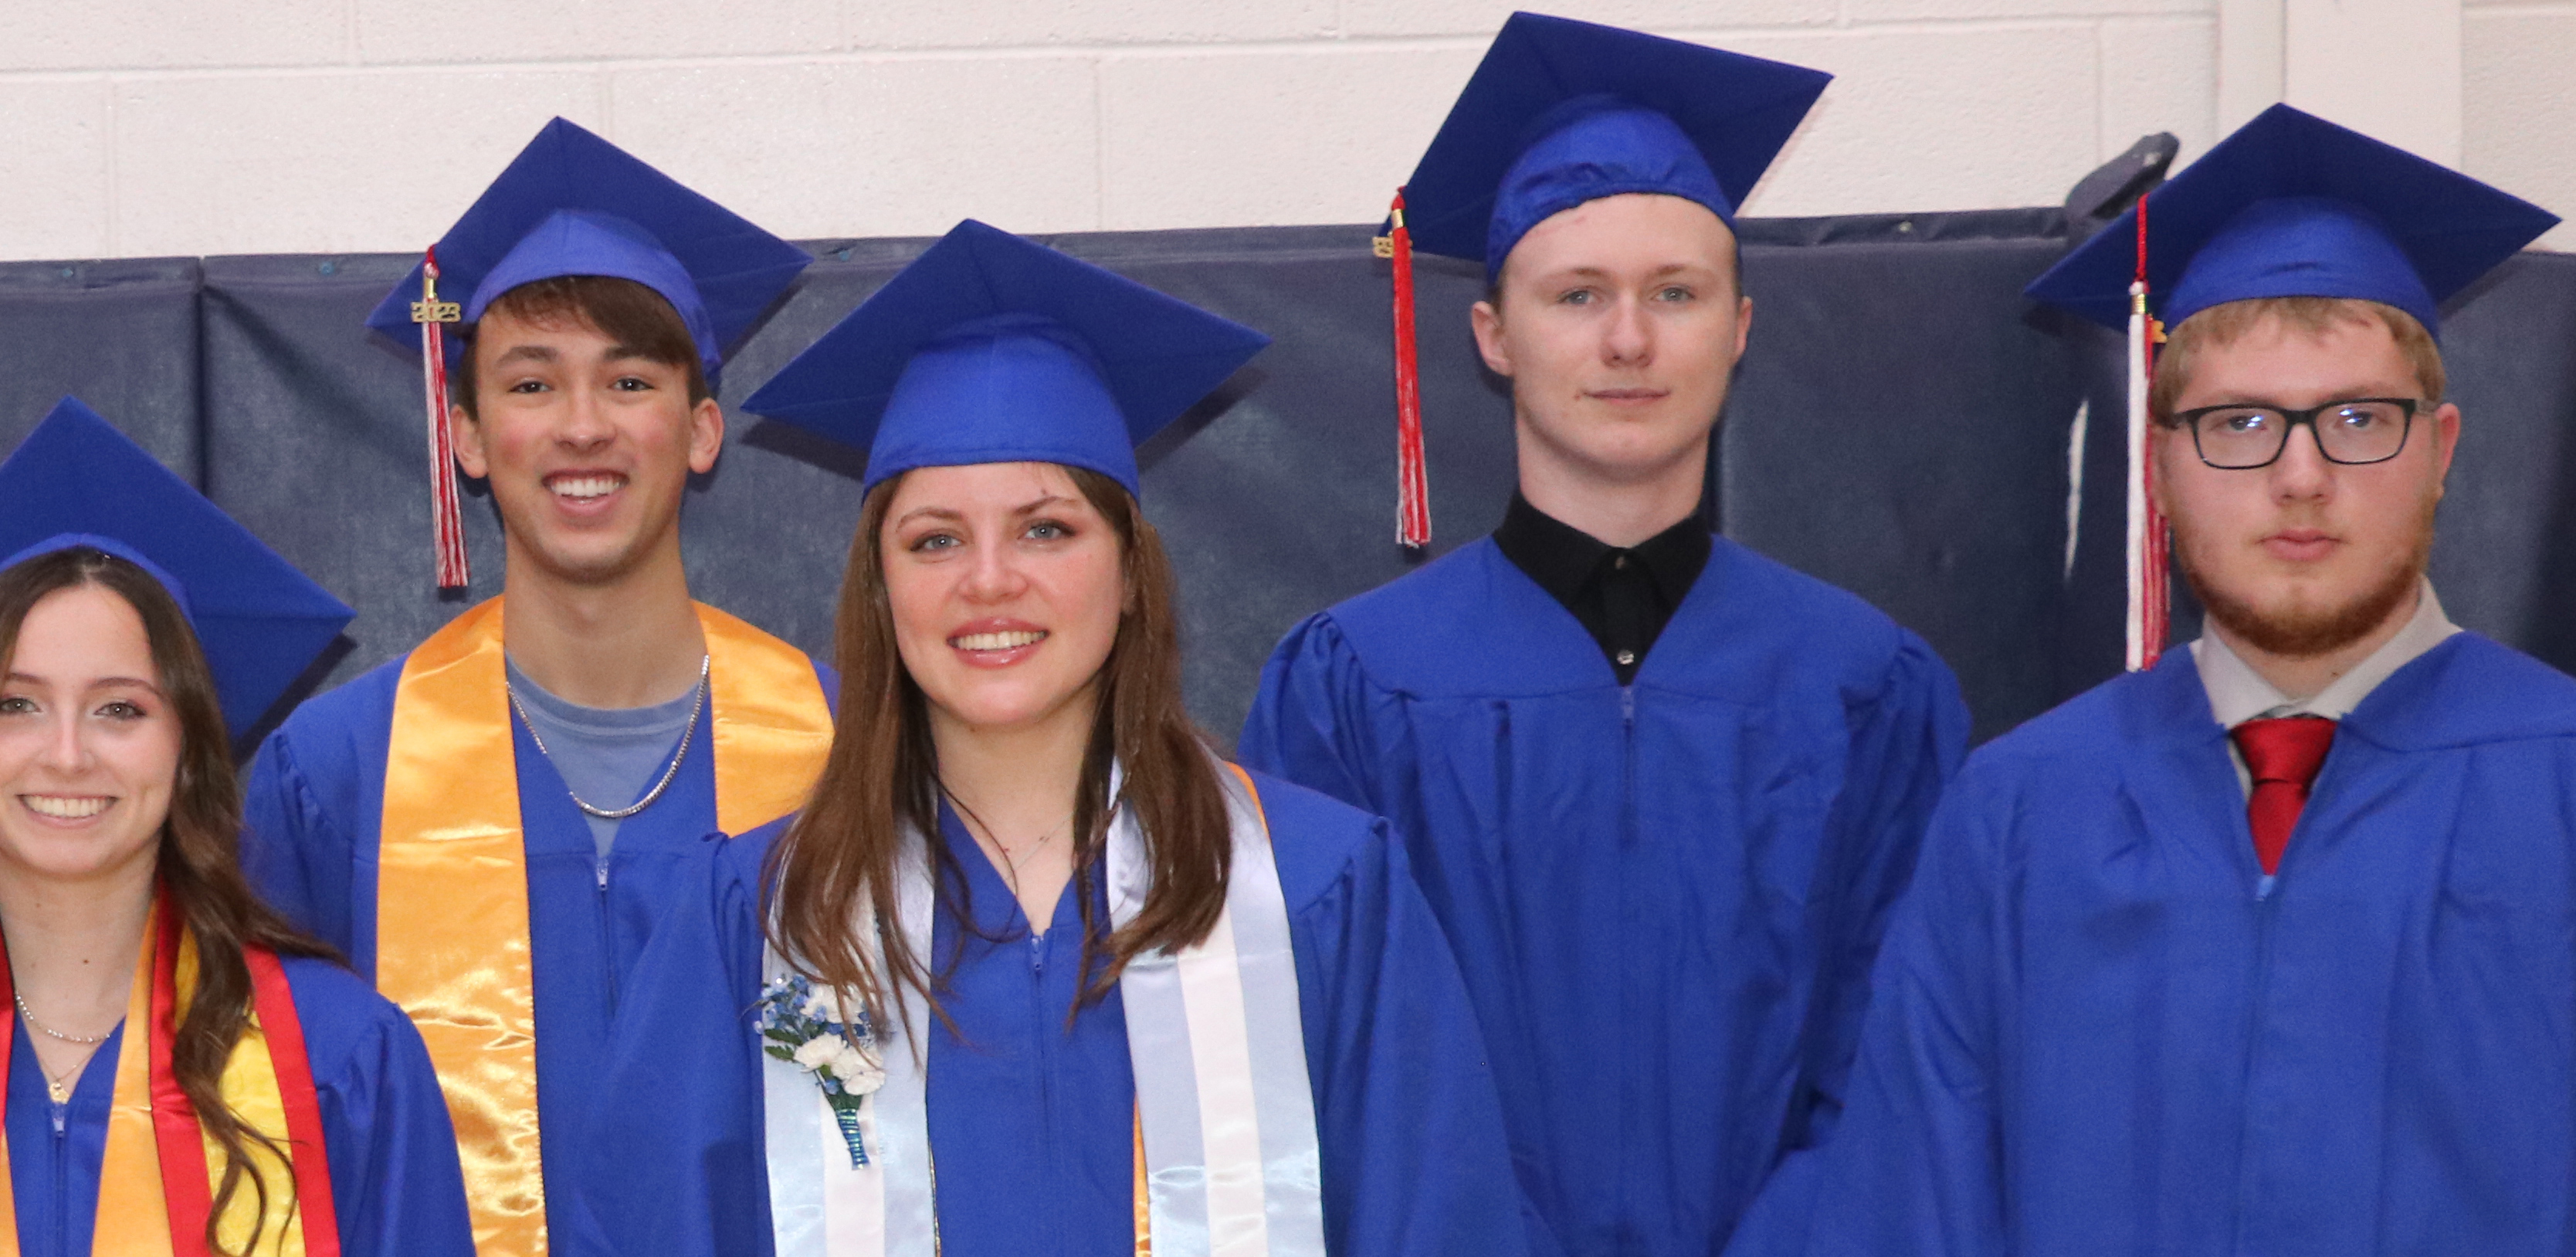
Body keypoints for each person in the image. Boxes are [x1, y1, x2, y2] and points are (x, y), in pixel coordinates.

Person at [1727, 105, 2574, 1257]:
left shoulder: (2560, 782)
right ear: (2162, 465)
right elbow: (1914, 1207)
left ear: (2443, 449)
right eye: (2238, 424)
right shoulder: (2019, 813)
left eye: (2361, 419)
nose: (2301, 476)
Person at [1239, 16, 1968, 1255]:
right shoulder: (1349, 688)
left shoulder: (1865, 688)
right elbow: (1324, 1056)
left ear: (1738, 328)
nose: (1628, 341)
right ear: (1493, 336)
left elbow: (1904, 1057)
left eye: (1674, 295)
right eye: (1577, 296)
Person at [723, 221, 1527, 1255]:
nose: (989, 580)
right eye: (934, 540)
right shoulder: (768, 921)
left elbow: (1438, 1225)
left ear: (1131, 570)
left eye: (1046, 528)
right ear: (880, 592)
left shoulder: (1317, 890)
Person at [240, 117, 832, 1257]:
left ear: (700, 431)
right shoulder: (340, 773)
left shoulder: (842, 746)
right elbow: (273, 1136)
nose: (581, 427)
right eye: (530, 382)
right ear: (466, 435)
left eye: (629, 379)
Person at [0, 398, 464, 1257]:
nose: (67, 753)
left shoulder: (346, 1060)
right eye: (17, 704)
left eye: (120, 707)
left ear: (188, 749)